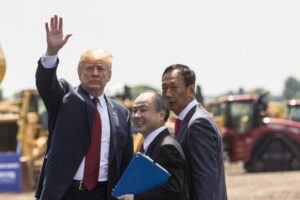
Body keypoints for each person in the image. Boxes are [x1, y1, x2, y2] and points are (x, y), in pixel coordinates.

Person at [35, 15, 133, 200]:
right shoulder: (65, 96)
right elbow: (46, 84)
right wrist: (51, 51)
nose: (95, 73)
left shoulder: (121, 114)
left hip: (104, 193)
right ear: (79, 73)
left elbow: (125, 157)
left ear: (109, 75)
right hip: (65, 193)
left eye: (101, 69)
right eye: (88, 68)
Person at [161, 64, 227, 200]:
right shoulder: (187, 120)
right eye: (164, 88)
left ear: (191, 90)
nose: (167, 94)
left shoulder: (198, 123)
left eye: (174, 87)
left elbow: (205, 182)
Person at [118, 92, 188, 200]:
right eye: (134, 110)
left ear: (161, 115)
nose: (136, 115)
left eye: (143, 110)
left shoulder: (167, 147)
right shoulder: (150, 144)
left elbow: (173, 192)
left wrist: (134, 197)